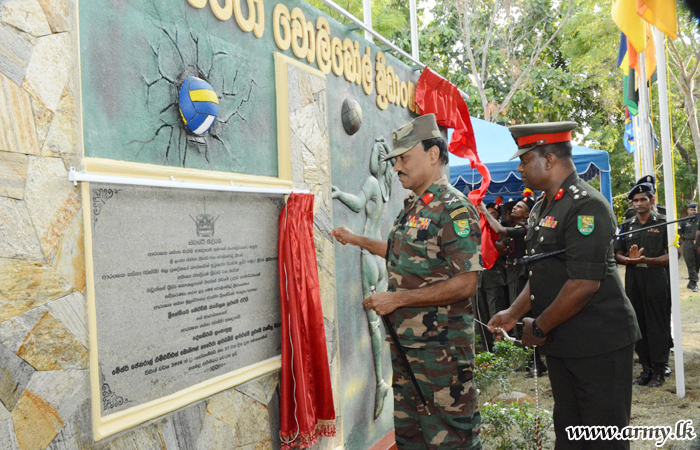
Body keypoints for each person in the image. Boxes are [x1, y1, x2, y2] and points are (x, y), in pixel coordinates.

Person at [331, 113, 483, 450]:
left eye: (404, 158)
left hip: (442, 356)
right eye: (395, 160)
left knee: (451, 440)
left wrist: (397, 300)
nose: (397, 167)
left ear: (433, 154)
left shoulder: (453, 210)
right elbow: (403, 253)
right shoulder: (414, 207)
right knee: (412, 439)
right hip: (408, 351)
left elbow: (466, 282)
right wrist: (357, 239)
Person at [488, 121, 641, 450]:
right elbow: (543, 274)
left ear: (549, 160)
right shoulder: (544, 206)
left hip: (599, 342)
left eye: (525, 159)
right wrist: (514, 312)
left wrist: (539, 327)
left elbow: (584, 283)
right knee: (570, 435)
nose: (519, 167)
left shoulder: (586, 205)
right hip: (564, 341)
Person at [331, 137, 394, 417]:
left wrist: (337, 193)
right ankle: (384, 379)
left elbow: (357, 204)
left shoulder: (371, 182)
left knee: (373, 326)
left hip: (369, 255)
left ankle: (380, 381)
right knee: (382, 321)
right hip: (382, 256)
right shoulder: (386, 187)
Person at [477, 195, 547, 378]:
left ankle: (536, 363)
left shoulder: (526, 227)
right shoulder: (516, 228)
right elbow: (498, 245)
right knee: (519, 322)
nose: (514, 208)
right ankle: (529, 361)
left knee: (526, 319)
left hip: (523, 275)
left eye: (519, 207)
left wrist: (485, 211)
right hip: (513, 275)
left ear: (527, 214)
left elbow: (500, 229)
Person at [614, 182, 671, 387]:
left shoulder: (664, 222)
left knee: (657, 323)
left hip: (656, 277)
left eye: (642, 199)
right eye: (635, 201)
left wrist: (647, 261)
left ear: (651, 200)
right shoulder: (627, 225)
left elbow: (674, 255)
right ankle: (645, 369)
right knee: (637, 323)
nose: (638, 204)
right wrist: (628, 261)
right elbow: (617, 253)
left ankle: (659, 370)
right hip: (633, 279)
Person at [474, 202, 507, 352]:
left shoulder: (496, 230)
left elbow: (501, 247)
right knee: (480, 314)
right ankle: (487, 349)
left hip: (492, 275)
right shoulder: (475, 228)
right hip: (478, 276)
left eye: (493, 213)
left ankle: (500, 348)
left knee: (496, 312)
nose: (488, 215)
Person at [679, 202, 700, 292]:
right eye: (691, 210)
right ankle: (694, 283)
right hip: (688, 244)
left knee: (697, 264)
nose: (693, 212)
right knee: (690, 264)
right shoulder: (684, 221)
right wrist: (686, 241)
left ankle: (691, 283)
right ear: (688, 211)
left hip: (698, 244)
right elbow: (680, 233)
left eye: (695, 210)